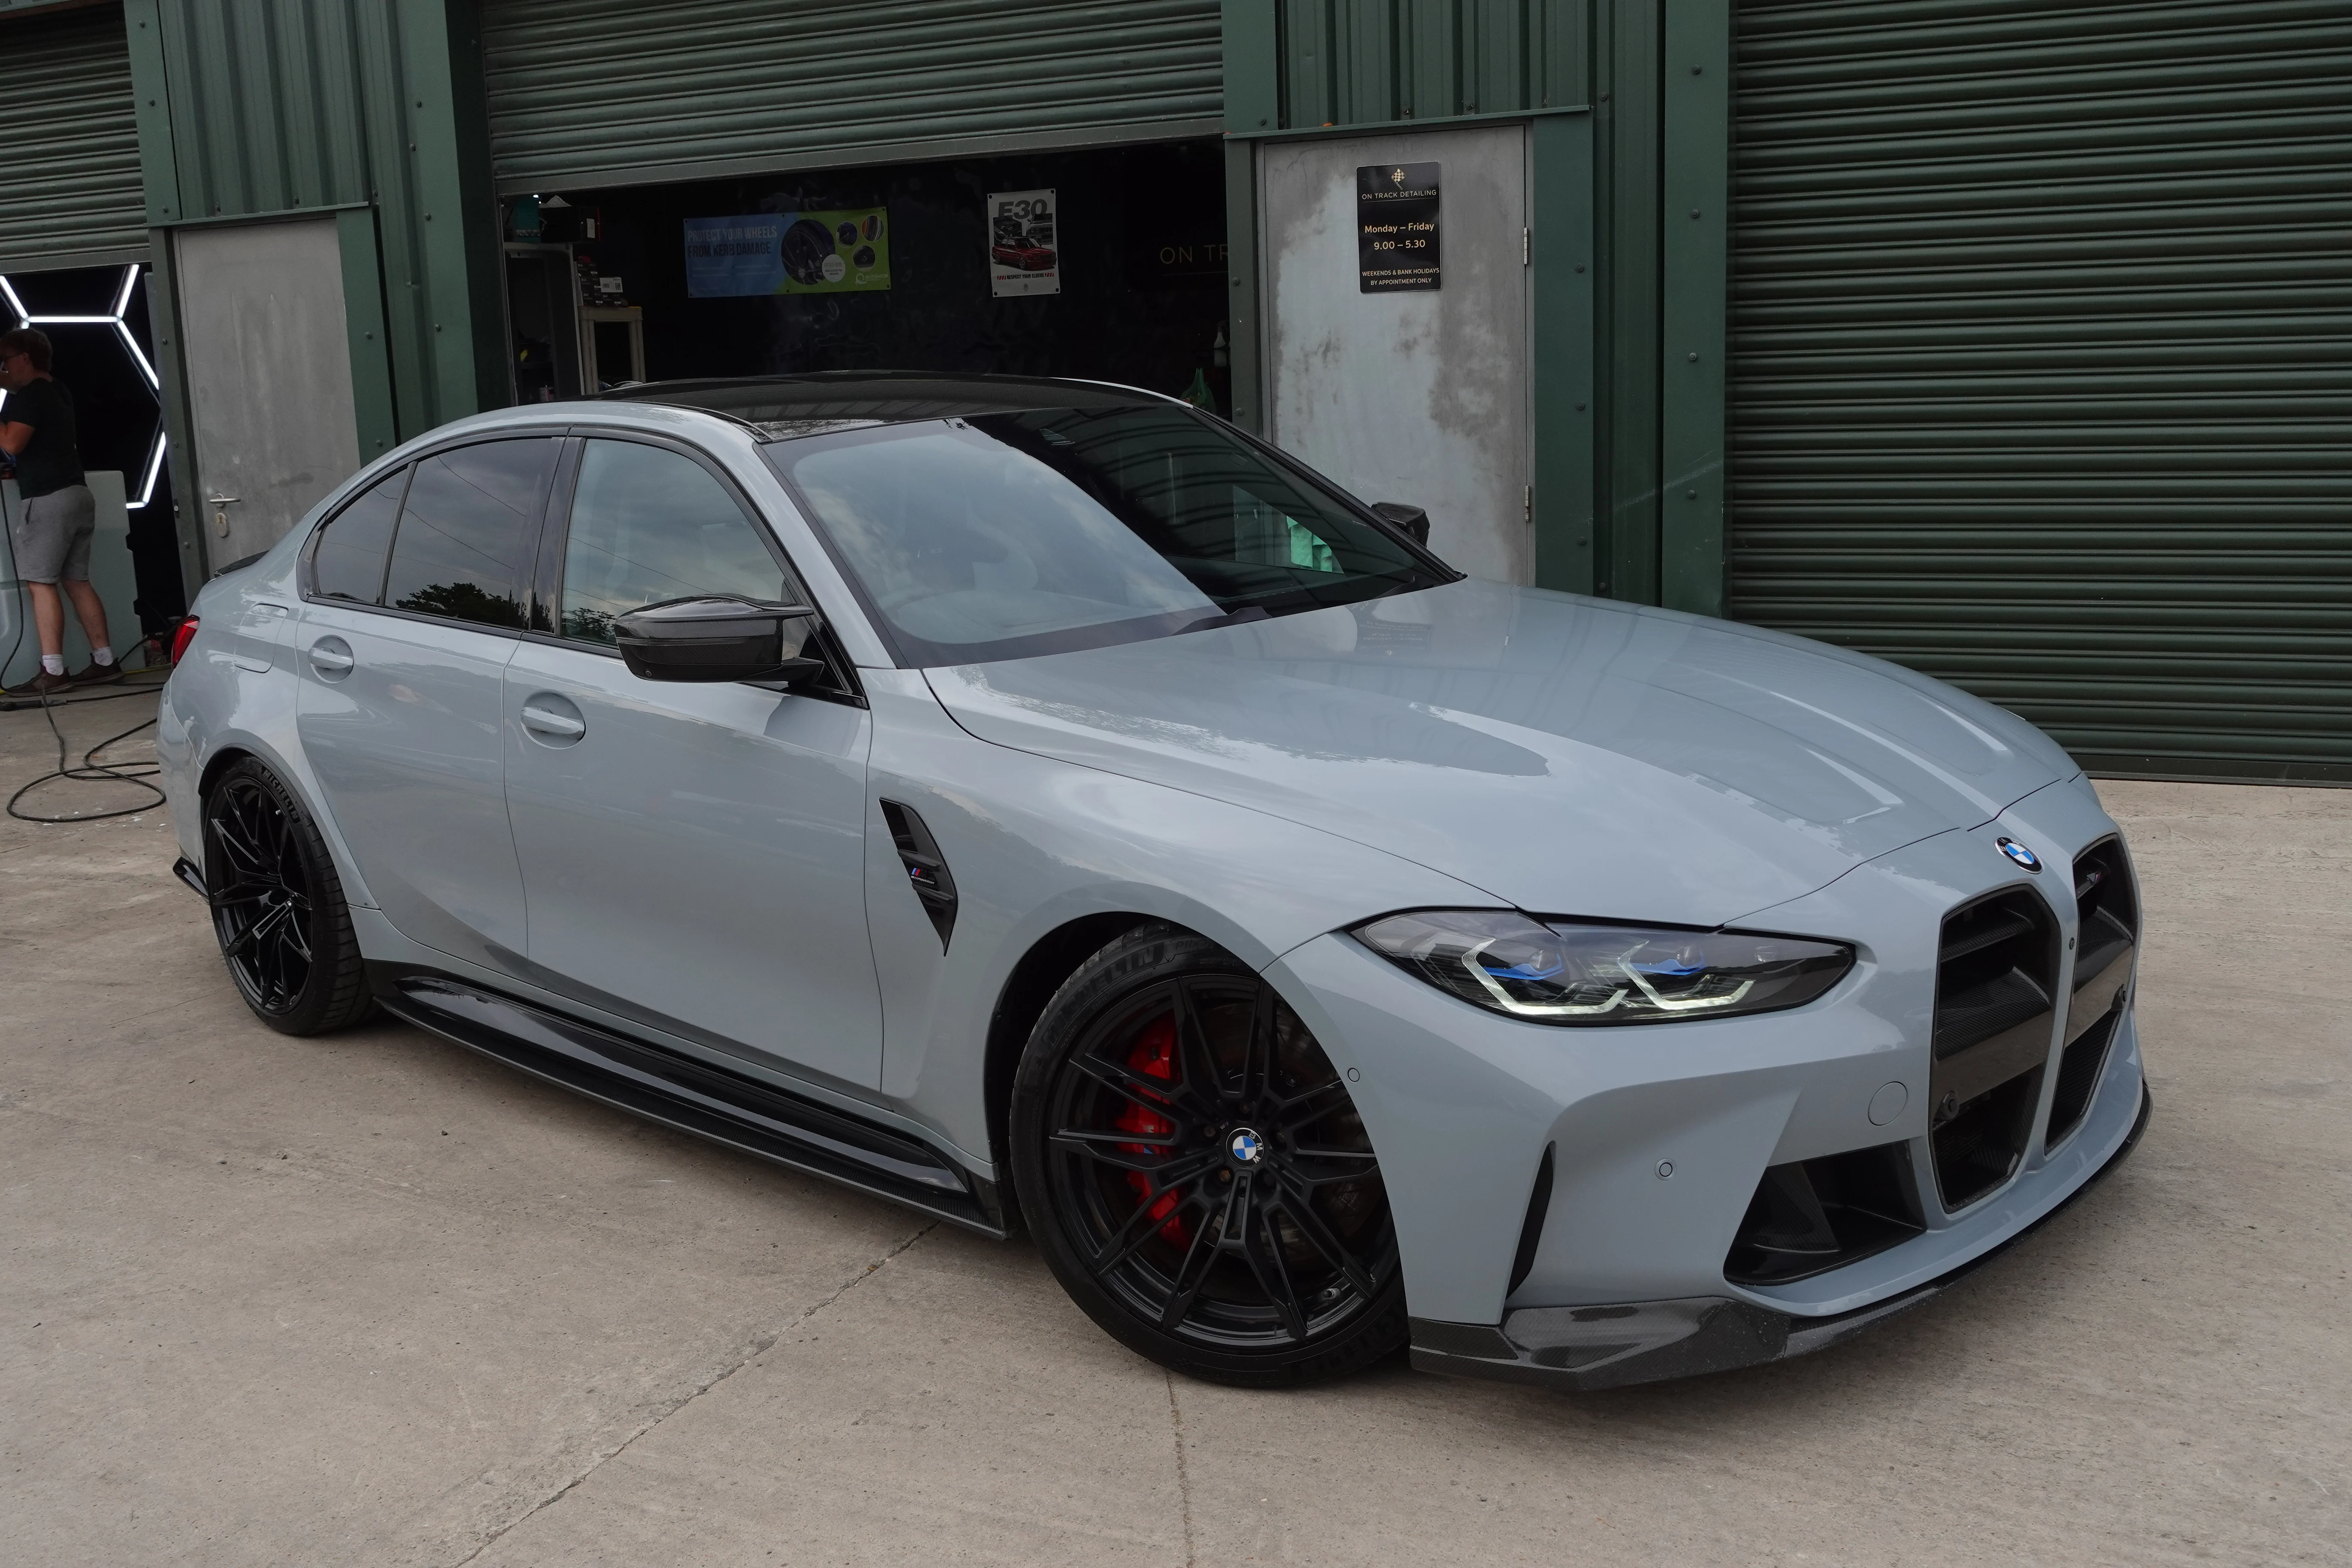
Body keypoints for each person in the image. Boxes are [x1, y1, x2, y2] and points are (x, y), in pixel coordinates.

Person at [0, 327, 116, 695]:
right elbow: (15, 386)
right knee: (77, 581)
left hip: (48, 499)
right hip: (77, 495)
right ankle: (105, 661)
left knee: (41, 583)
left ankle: (53, 671)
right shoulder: (57, 389)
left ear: (23, 358)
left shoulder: (30, 396)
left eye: (6, 361)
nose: (4, 368)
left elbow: (12, 444)